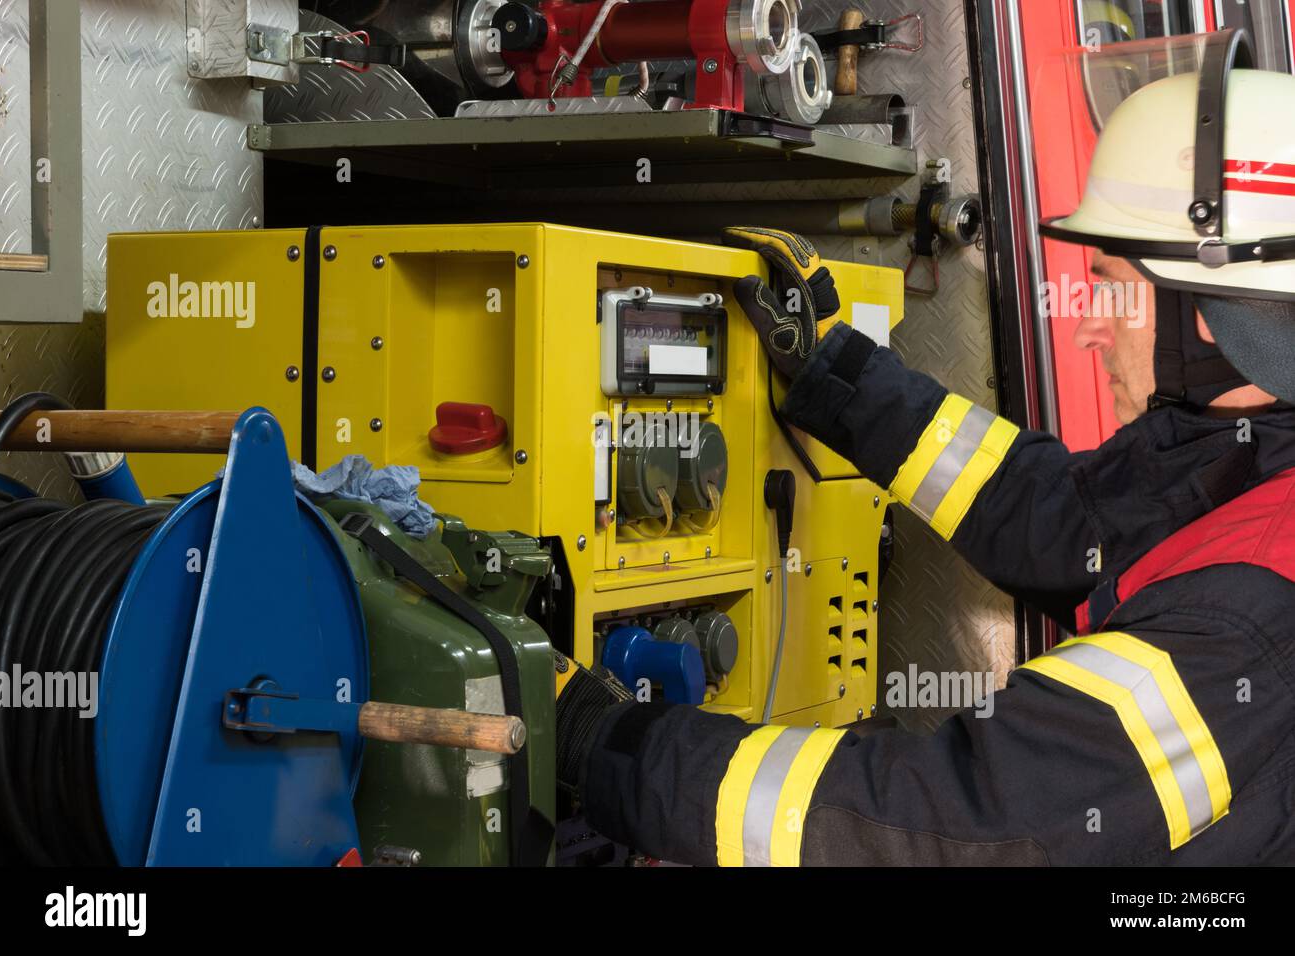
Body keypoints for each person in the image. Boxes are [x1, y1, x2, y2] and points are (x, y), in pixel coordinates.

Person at [555, 33, 1295, 865]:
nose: (1086, 326)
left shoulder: (1239, 625)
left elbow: (957, 826)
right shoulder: (1242, 464)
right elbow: (1050, 515)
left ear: (1213, 318)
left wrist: (602, 742)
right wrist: (835, 373)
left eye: (1110, 286)